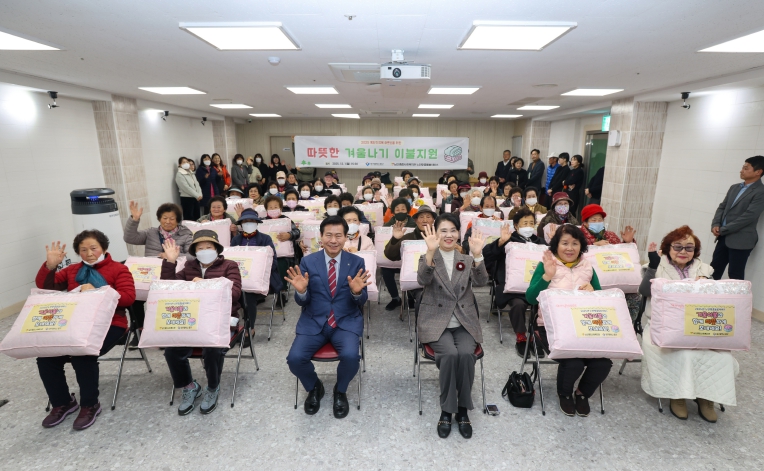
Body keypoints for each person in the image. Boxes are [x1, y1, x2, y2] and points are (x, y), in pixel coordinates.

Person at [36, 231, 135, 430]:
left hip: (110, 323)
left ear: (104, 248)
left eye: (93, 248)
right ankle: (63, 402)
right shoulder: (72, 270)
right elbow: (47, 288)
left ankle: (90, 404)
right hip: (75, 322)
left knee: (83, 354)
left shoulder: (119, 269)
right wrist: (50, 267)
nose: (89, 253)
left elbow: (128, 298)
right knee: (46, 357)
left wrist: (101, 292)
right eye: (83, 250)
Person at [639, 226, 738, 422]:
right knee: (682, 355)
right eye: (678, 247)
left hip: (699, 326)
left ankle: (706, 398)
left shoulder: (704, 269)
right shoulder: (657, 265)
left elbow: (716, 303)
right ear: (668, 248)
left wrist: (706, 284)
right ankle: (678, 396)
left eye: (689, 248)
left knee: (723, 358)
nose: (683, 251)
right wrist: (652, 267)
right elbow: (644, 292)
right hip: (663, 326)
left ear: (695, 250)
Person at [285, 216, 371, 418]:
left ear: (346, 237)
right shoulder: (308, 261)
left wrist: (357, 292)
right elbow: (302, 302)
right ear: (321, 237)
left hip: (345, 321)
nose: (333, 240)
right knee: (295, 359)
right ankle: (314, 386)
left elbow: (362, 300)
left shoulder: (356, 261)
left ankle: (340, 390)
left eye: (338, 235)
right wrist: (301, 292)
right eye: (329, 235)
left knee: (351, 357)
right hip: (314, 320)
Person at [526, 225, 611, 417]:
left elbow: (602, 301)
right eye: (565, 243)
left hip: (585, 327)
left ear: (581, 246)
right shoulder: (546, 265)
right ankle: (564, 394)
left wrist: (593, 292)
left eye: (575, 243)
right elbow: (530, 298)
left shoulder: (588, 267)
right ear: (556, 245)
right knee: (574, 362)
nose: (570, 248)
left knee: (603, 363)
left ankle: (582, 393)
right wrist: (547, 276)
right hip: (551, 328)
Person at [417, 213, 488, 439]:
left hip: (464, 321)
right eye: (443, 231)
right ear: (435, 234)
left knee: (466, 354)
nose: (449, 235)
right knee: (449, 354)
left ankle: (463, 410)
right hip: (436, 321)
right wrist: (430, 252)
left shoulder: (466, 259)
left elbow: (481, 282)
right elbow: (422, 280)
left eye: (453, 230)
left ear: (459, 233)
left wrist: (477, 255)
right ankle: (447, 411)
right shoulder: (427, 257)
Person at [160, 231, 242, 416]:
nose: (205, 251)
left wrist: (205, 284)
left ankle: (212, 387)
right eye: (200, 248)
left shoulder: (230, 265)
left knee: (212, 349)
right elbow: (168, 288)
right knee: (172, 350)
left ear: (217, 249)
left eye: (209, 247)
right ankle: (190, 386)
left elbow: (235, 293)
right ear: (194, 252)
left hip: (221, 320)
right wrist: (170, 262)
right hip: (193, 321)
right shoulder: (189, 266)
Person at [123, 201, 194, 342]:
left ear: (178, 220)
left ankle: (164, 332)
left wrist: (172, 255)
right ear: (159, 219)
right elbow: (130, 238)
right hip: (150, 274)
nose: (167, 221)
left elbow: (192, 255)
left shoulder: (186, 234)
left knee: (165, 301)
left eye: (172, 218)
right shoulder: (151, 232)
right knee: (134, 298)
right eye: (164, 218)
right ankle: (139, 331)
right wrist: (134, 220)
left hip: (173, 274)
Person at [484, 208, 545, 356]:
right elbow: (487, 255)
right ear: (516, 226)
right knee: (518, 305)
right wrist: (500, 242)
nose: (528, 226)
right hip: (513, 288)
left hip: (535, 287)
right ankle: (521, 337)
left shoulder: (540, 242)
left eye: (531, 223)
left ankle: (536, 337)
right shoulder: (508, 240)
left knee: (542, 305)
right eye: (525, 223)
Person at [230, 209, 284, 347]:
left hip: (261, 280)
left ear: (257, 223)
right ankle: (232, 327)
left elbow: (273, 262)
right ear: (241, 224)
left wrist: (257, 271)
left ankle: (249, 329)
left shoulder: (265, 239)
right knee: (229, 293)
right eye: (245, 221)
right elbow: (230, 260)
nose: (248, 223)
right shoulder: (236, 240)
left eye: (252, 221)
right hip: (239, 279)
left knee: (248, 295)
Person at [711, 155, 764, 280]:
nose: (741, 171)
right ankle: (707, 293)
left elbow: (749, 216)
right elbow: (722, 207)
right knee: (713, 270)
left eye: (746, 168)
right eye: (742, 167)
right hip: (723, 237)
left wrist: (724, 229)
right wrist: (716, 224)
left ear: (758, 172)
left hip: (741, 240)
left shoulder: (761, 191)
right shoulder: (734, 187)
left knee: (735, 276)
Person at [383, 205, 437, 313]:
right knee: (421, 296)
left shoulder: (439, 237)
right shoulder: (408, 238)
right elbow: (390, 255)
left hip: (436, 279)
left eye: (428, 217)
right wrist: (395, 239)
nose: (425, 220)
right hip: (415, 279)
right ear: (416, 220)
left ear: (433, 220)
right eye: (421, 217)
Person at [264, 195, 301, 304]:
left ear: (280, 208)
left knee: (281, 264)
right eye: (270, 207)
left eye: (276, 207)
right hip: (266, 254)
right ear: (266, 209)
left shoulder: (286, 220)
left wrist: (289, 235)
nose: (273, 209)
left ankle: (281, 292)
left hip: (284, 255)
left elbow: (297, 232)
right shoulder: (262, 222)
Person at [176, 156, 202, 221]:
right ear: (180, 164)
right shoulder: (179, 174)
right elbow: (186, 187)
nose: (186, 163)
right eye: (184, 162)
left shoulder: (191, 172)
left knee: (197, 217)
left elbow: (197, 184)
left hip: (196, 198)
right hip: (187, 198)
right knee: (189, 218)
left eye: (187, 162)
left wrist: (200, 194)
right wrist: (197, 195)